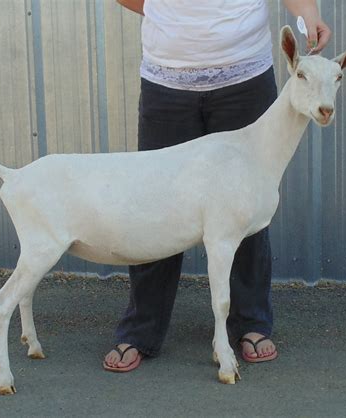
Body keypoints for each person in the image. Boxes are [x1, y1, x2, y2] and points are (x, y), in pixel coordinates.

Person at [103, 0, 331, 372]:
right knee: (154, 205)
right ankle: (142, 328)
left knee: (246, 207)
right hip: (167, 80)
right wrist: (168, 12)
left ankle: (252, 323)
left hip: (244, 79)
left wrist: (309, 15)